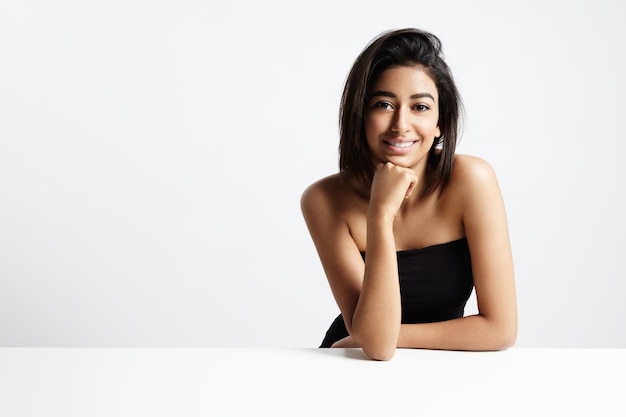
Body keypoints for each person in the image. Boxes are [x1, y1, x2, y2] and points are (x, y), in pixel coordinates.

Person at [300, 28, 517, 360]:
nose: (401, 124)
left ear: (440, 121)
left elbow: (499, 329)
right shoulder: (323, 199)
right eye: (384, 104)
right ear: (361, 115)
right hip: (352, 365)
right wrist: (380, 214)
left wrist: (384, 335)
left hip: (437, 364)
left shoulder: (472, 180)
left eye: (420, 107)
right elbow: (377, 351)